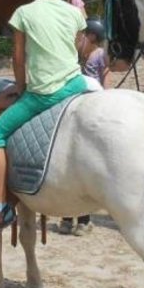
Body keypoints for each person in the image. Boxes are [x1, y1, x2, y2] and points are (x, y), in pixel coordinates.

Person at [0, 0, 88, 241]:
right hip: (76, 84)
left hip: (45, 93)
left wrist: (21, 88)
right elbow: (77, 48)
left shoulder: (23, 12)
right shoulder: (74, 12)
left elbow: (18, 57)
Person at [59, 16, 110, 236]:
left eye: (81, 36)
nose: (77, 39)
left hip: (92, 103)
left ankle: (81, 218)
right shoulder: (80, 55)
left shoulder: (98, 55)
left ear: (90, 37)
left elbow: (105, 79)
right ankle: (70, 218)